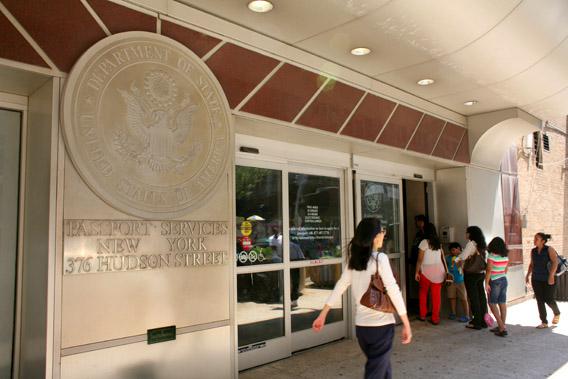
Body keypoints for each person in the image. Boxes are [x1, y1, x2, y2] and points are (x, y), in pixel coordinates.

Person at [312, 218, 411, 379]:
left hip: (362, 329)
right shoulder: (380, 259)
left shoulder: (354, 261)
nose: (384, 235)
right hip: (381, 327)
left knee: (383, 370)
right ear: (374, 236)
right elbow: (393, 290)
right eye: (382, 232)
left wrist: (323, 314)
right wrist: (406, 322)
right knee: (376, 372)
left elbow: (340, 286)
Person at [525, 232, 561, 328]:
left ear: (543, 241)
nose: (534, 240)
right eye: (534, 238)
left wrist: (551, 276)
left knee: (549, 299)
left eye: (537, 239)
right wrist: (528, 275)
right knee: (539, 300)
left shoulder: (549, 249)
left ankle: (556, 313)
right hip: (536, 278)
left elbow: (555, 262)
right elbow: (532, 264)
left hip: (549, 278)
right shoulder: (533, 251)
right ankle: (544, 322)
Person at [456, 226, 488, 330]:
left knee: (473, 298)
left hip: (471, 274)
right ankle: (484, 320)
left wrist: (456, 259)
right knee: (481, 297)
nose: (465, 234)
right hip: (481, 273)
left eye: (467, 232)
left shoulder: (471, 244)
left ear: (471, 234)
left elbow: (462, 257)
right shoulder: (482, 244)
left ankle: (476, 322)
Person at [415, 223, 446, 325]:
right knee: (436, 296)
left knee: (423, 293)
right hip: (439, 270)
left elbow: (420, 259)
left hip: (426, 271)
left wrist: (416, 271)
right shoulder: (438, 242)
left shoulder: (424, 242)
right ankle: (435, 318)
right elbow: (442, 257)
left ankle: (423, 315)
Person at [485, 237, 509, 337]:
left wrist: (486, 283)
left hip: (494, 281)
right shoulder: (505, 257)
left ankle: (501, 327)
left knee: (492, 303)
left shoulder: (491, 256)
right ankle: (502, 325)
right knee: (502, 303)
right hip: (504, 280)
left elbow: (489, 270)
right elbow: (506, 269)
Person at [446, 242, 470, 322]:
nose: (452, 252)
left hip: (461, 280)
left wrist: (460, 260)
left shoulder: (463, 256)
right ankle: (453, 313)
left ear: (459, 249)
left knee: (463, 298)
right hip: (451, 280)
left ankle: (467, 315)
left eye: (454, 250)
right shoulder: (449, 257)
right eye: (451, 250)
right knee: (452, 297)